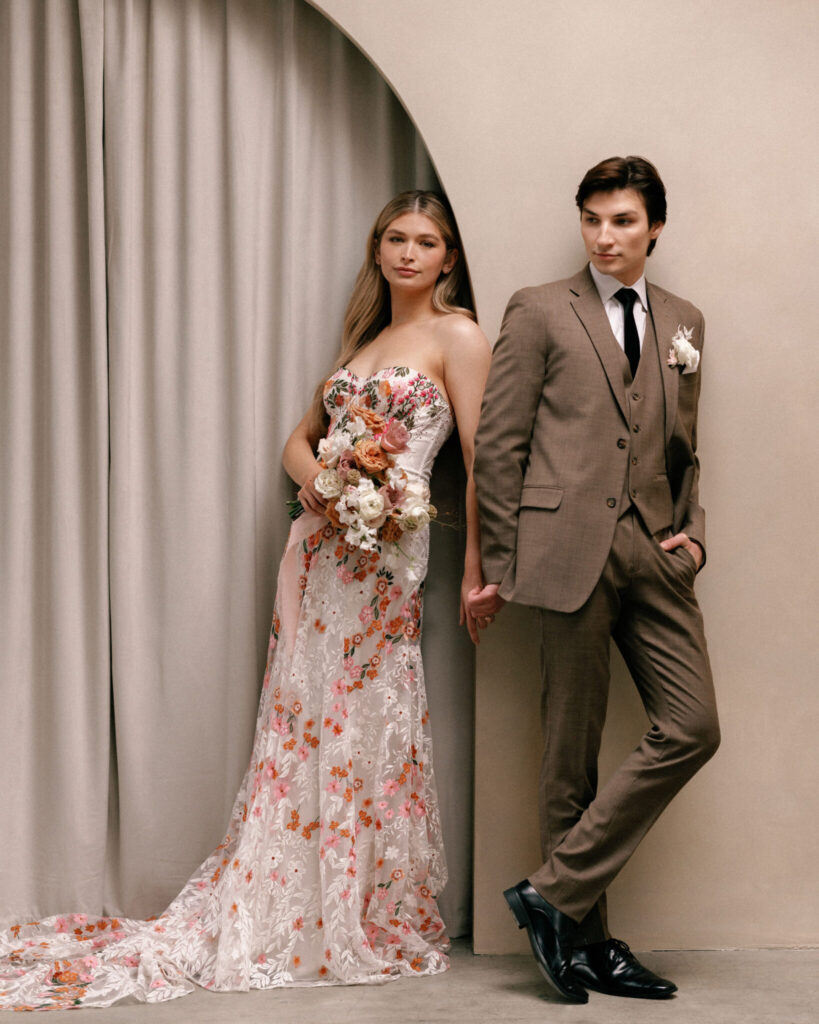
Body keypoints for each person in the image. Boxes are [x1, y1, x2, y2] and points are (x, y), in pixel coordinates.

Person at [0, 191, 490, 1010]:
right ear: (378, 250)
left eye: (427, 241)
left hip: (389, 558)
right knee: (305, 713)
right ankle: (295, 886)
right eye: (396, 239)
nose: (410, 253)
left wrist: (476, 566)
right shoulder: (363, 340)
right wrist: (326, 484)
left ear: (448, 256)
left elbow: (479, 461)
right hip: (324, 552)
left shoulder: (457, 334)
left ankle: (357, 904)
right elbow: (295, 441)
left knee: (370, 716)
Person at [469, 157, 720, 1004]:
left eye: (620, 221)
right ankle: (586, 947)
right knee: (566, 761)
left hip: (654, 551)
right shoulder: (540, 309)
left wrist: (694, 536)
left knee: (691, 726)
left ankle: (548, 893)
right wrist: (502, 563)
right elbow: (498, 445)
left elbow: (687, 446)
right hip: (562, 552)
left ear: (654, 226)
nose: (604, 237)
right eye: (591, 220)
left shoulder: (684, 321)